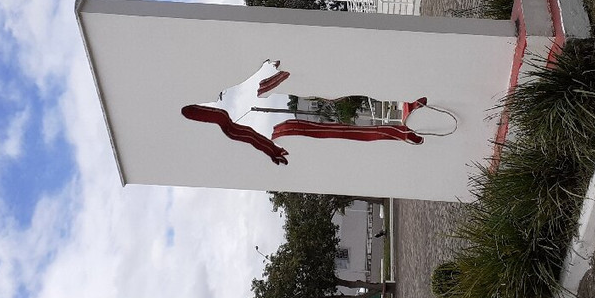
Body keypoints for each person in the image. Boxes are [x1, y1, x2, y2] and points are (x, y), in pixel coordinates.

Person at [181, 59, 433, 166]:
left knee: (348, 100)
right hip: (292, 121)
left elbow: (255, 85)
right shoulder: (229, 125)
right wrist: (274, 151)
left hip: (295, 101)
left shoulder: (227, 94)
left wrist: (271, 71)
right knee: (347, 129)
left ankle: (403, 108)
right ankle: (398, 131)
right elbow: (255, 139)